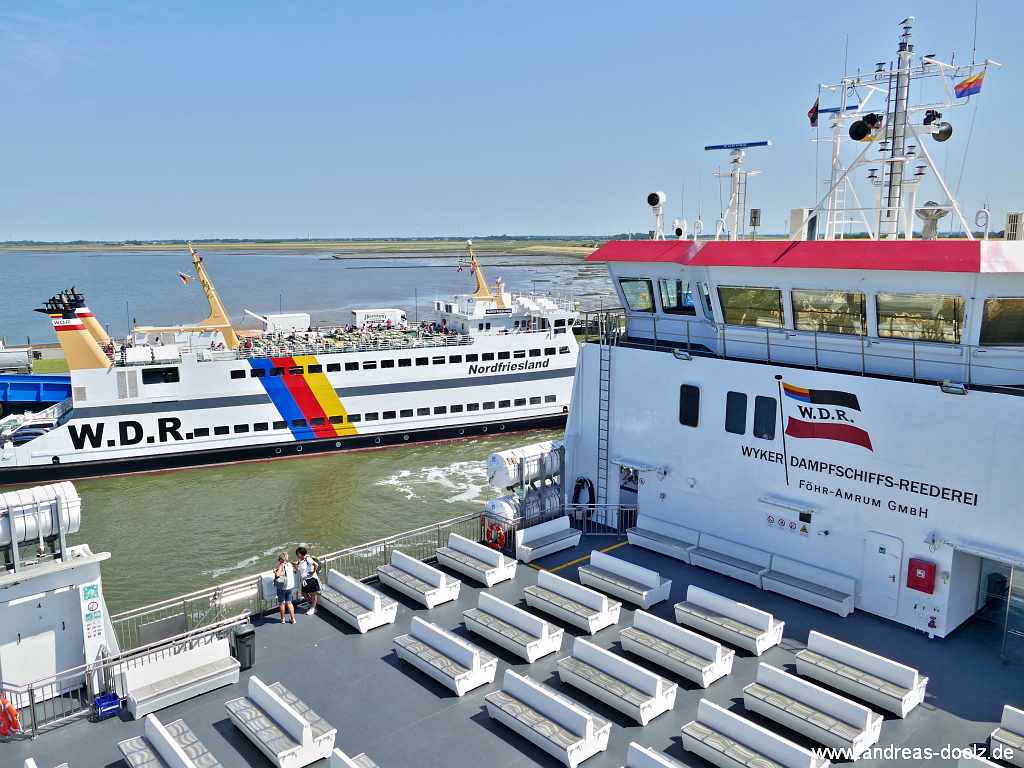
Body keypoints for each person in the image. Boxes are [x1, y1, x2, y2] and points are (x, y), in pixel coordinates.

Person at [295, 546, 320, 615]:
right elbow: (301, 569)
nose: (297, 555)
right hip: (305, 580)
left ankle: (313, 608)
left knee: (313, 594)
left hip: (311, 579)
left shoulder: (307, 559)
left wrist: (313, 572)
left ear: (301, 553)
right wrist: (296, 566)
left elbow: (316, 565)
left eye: (298, 553)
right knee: (304, 593)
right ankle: (311, 604)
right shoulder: (301, 560)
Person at [273, 552, 297, 624]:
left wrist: (275, 571)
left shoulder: (281, 565)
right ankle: (293, 619)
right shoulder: (289, 564)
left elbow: (277, 575)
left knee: (281, 603)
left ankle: (282, 619)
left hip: (283, 587)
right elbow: (295, 571)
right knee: (289, 602)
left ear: (280, 559)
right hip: (290, 587)